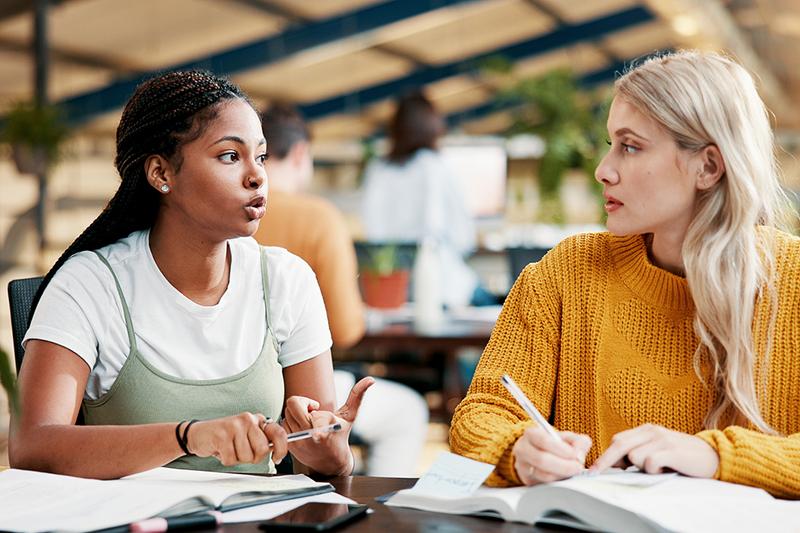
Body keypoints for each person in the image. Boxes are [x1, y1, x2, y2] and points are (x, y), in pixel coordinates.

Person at [449, 51, 800, 498]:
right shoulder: (566, 273)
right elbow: (480, 414)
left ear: (708, 167)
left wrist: (715, 457)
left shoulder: (793, 282)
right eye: (611, 142)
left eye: (630, 146)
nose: (603, 169)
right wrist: (517, 450)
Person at [9, 70, 372, 480]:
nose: (257, 176)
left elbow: (322, 462)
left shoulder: (287, 279)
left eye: (262, 156)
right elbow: (32, 445)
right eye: (230, 156)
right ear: (161, 174)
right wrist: (189, 437)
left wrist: (332, 453)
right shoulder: (91, 284)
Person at [253, 104, 428, 476]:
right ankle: (375, 508)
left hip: (237, 396)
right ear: (300, 153)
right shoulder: (318, 218)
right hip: (300, 395)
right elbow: (348, 329)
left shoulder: (216, 216)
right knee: (408, 411)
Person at [361, 91, 492, 308]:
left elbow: (372, 235)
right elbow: (463, 238)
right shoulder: (436, 166)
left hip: (393, 292)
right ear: (432, 126)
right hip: (443, 288)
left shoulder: (377, 171)